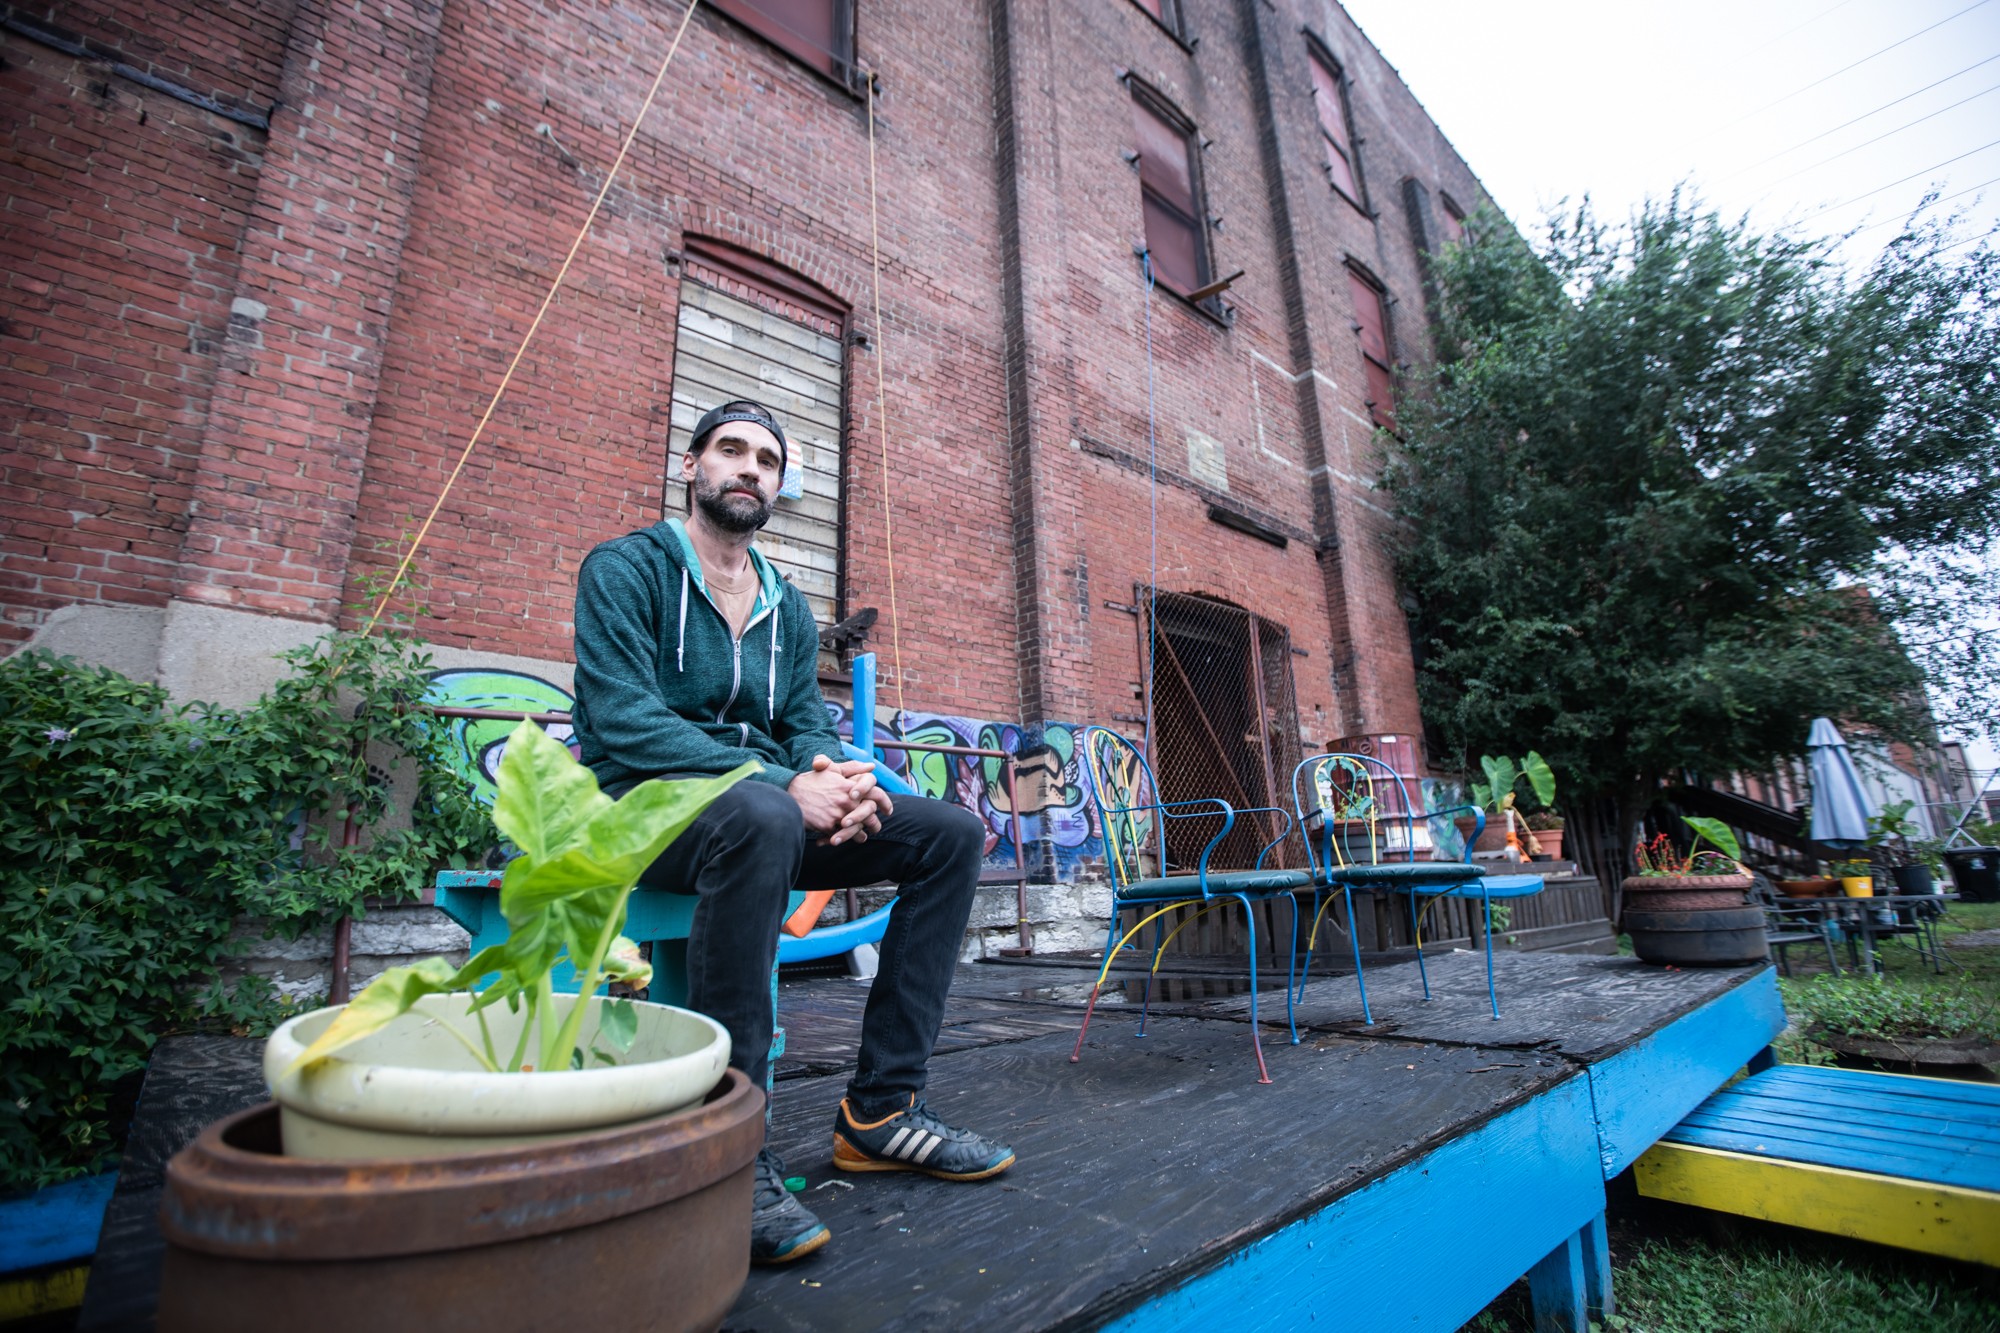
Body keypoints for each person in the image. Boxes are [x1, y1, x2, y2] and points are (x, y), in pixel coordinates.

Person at [570, 399, 1014, 1265]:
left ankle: (880, 1111)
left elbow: (806, 721)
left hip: (761, 813)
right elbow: (624, 721)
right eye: (730, 451)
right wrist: (785, 784)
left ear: (778, 485)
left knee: (950, 833)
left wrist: (833, 777)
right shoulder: (626, 569)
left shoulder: (785, 603)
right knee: (767, 813)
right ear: (692, 465)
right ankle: (727, 1142)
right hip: (641, 810)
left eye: (766, 460)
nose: (748, 469)